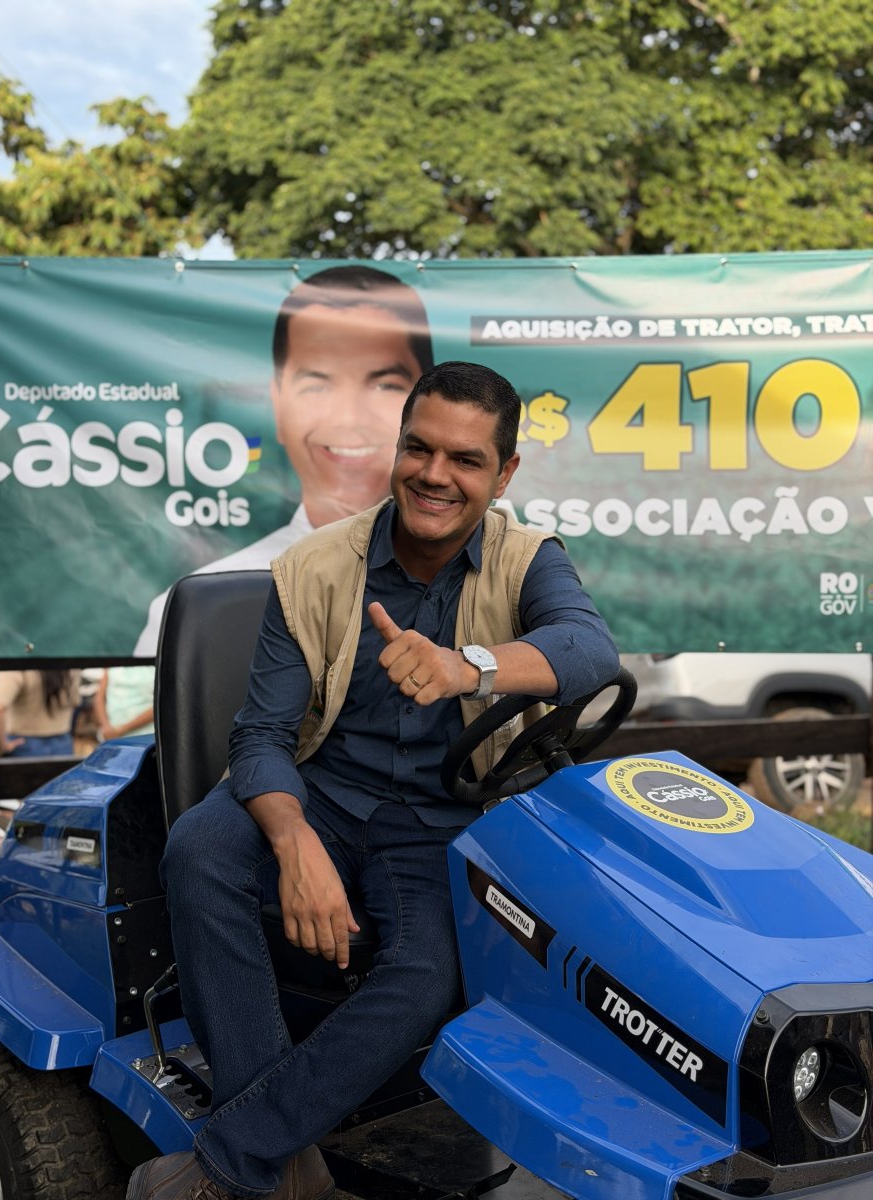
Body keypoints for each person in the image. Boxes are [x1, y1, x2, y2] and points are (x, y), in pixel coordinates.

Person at [126, 362, 620, 1200]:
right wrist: (295, 846)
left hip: (440, 823)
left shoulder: (528, 559)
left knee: (433, 972)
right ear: (398, 448)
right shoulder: (315, 566)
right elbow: (262, 737)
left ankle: (243, 1154)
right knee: (200, 847)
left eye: (466, 460)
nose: (435, 474)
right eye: (419, 449)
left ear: (503, 475)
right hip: (320, 794)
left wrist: (467, 667)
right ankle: (287, 1164)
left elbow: (589, 649)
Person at [133, 265, 434, 656]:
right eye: (316, 385)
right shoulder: (196, 610)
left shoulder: (495, 582)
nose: (348, 418)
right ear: (277, 407)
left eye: (384, 385)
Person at [0, 669, 80, 758]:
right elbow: (75, 702)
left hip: (23, 743)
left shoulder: (16, 666)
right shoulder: (70, 667)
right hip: (62, 741)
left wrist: (0, 747)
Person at [93, 666, 155, 740]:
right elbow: (99, 697)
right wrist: (106, 726)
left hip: (147, 737)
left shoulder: (154, 667)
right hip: (113, 735)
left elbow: (161, 706)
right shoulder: (112, 665)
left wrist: (122, 730)